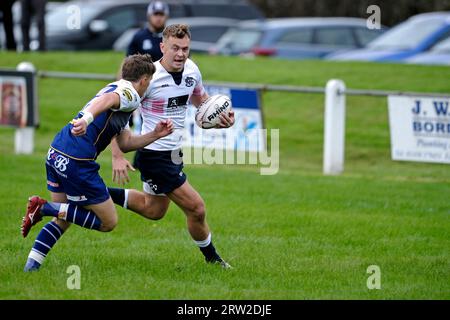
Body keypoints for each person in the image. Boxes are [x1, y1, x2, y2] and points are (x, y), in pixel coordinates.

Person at [21, 54, 174, 272]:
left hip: (57, 152)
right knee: (108, 222)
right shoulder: (129, 93)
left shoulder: (118, 90)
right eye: (149, 82)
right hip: (77, 161)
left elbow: (126, 143)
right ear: (143, 80)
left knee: (64, 216)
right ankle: (44, 207)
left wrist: (155, 135)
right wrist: (86, 120)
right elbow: (107, 101)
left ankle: (30, 268)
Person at [109, 24, 235, 269]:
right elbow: (118, 115)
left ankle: (94, 193)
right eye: (175, 48)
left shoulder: (192, 70)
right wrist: (116, 155)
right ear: (162, 47)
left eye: (185, 48)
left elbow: (201, 101)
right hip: (153, 154)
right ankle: (213, 260)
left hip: (173, 153)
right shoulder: (149, 78)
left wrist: (219, 118)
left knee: (153, 210)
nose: (180, 54)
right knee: (196, 208)